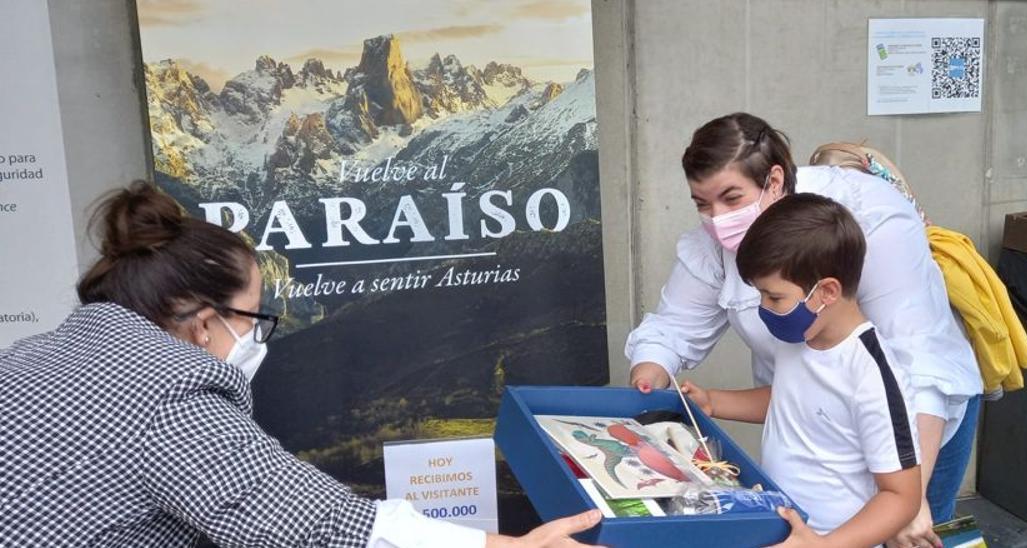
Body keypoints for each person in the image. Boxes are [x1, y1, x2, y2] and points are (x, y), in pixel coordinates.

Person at [0, 181, 601, 547]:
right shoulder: (168, 394)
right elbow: (317, 525)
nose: (260, 339)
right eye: (256, 317)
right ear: (204, 321)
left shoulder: (31, 355)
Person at [625, 112, 981, 546]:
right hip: (811, 494)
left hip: (919, 428)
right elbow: (797, 393)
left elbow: (916, 373)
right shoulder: (801, 336)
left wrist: (911, 500)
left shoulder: (870, 226)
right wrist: (661, 373)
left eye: (731, 199)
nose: (717, 219)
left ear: (774, 181)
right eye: (702, 203)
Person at [681, 193, 923, 547]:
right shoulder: (801, 338)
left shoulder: (874, 377)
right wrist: (714, 402)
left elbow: (902, 497)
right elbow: (792, 402)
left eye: (774, 297)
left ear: (826, 291)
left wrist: (824, 545)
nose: (763, 308)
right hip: (781, 528)